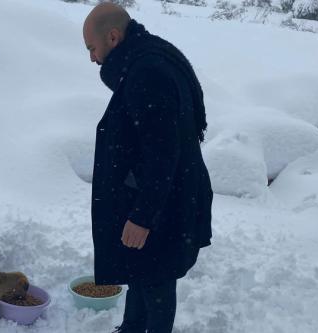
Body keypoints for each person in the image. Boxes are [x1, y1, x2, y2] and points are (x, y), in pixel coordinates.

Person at [83, 3, 214, 332]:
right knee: (141, 268)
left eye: (92, 48)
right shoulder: (149, 55)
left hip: (164, 198)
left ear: (113, 37)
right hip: (164, 190)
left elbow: (162, 151)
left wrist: (143, 216)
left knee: (156, 279)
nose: (92, 57)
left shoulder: (147, 71)